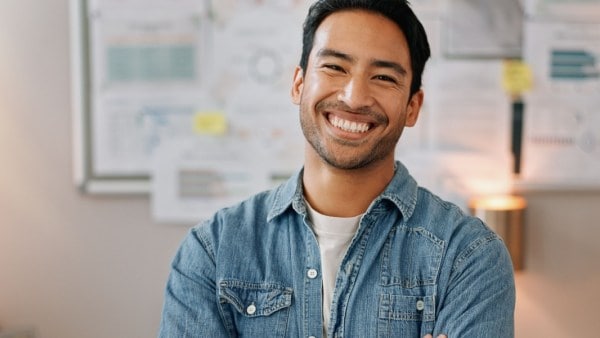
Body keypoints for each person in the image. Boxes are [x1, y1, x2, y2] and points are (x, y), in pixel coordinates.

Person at [158, 0, 515, 337]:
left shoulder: (469, 256)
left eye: (384, 78)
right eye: (335, 67)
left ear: (412, 106)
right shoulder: (213, 251)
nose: (354, 97)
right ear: (299, 83)